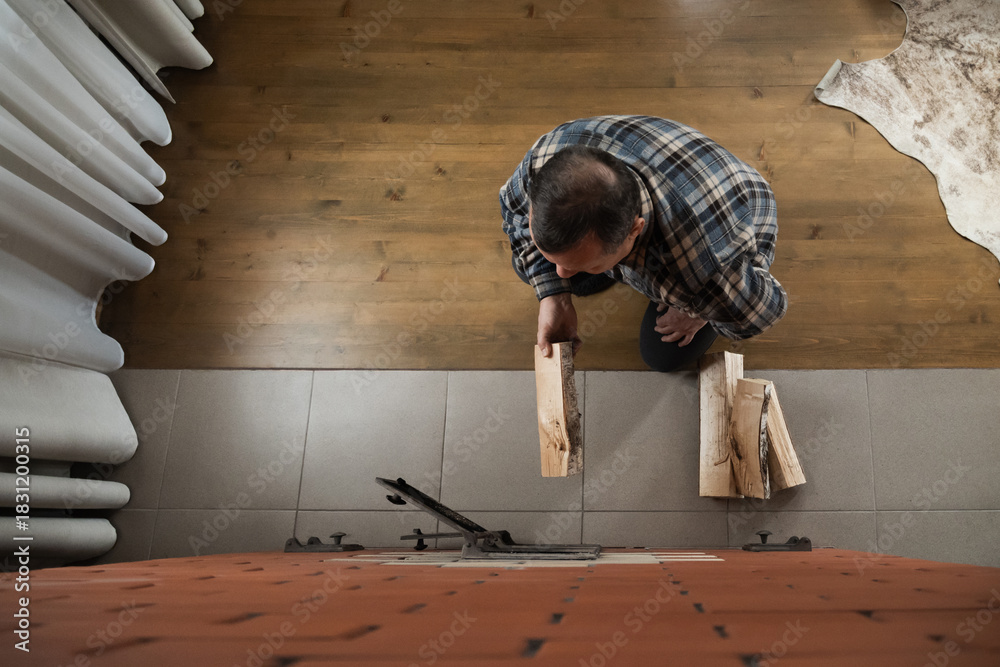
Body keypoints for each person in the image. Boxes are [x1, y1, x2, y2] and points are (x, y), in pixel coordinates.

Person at [499, 115, 787, 371]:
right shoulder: (545, 158)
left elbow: (760, 314)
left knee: (662, 357)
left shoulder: (701, 269)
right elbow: (515, 215)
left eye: (589, 262)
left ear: (634, 230)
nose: (560, 272)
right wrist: (554, 296)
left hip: (738, 208)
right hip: (672, 161)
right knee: (532, 267)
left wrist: (698, 312)